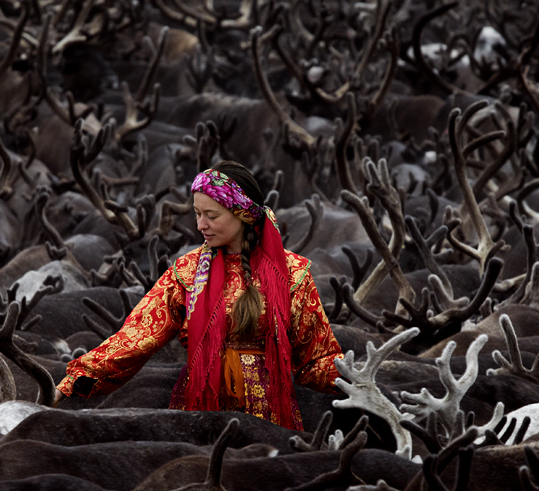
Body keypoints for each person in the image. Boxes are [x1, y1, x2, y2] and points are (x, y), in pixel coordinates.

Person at [53, 161, 343, 430]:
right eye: (197, 213)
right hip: (200, 418)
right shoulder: (187, 273)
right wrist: (74, 380)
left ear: (242, 213)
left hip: (269, 423)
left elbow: (316, 359)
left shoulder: (292, 274)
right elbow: (137, 336)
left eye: (211, 215)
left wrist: (353, 381)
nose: (199, 225)